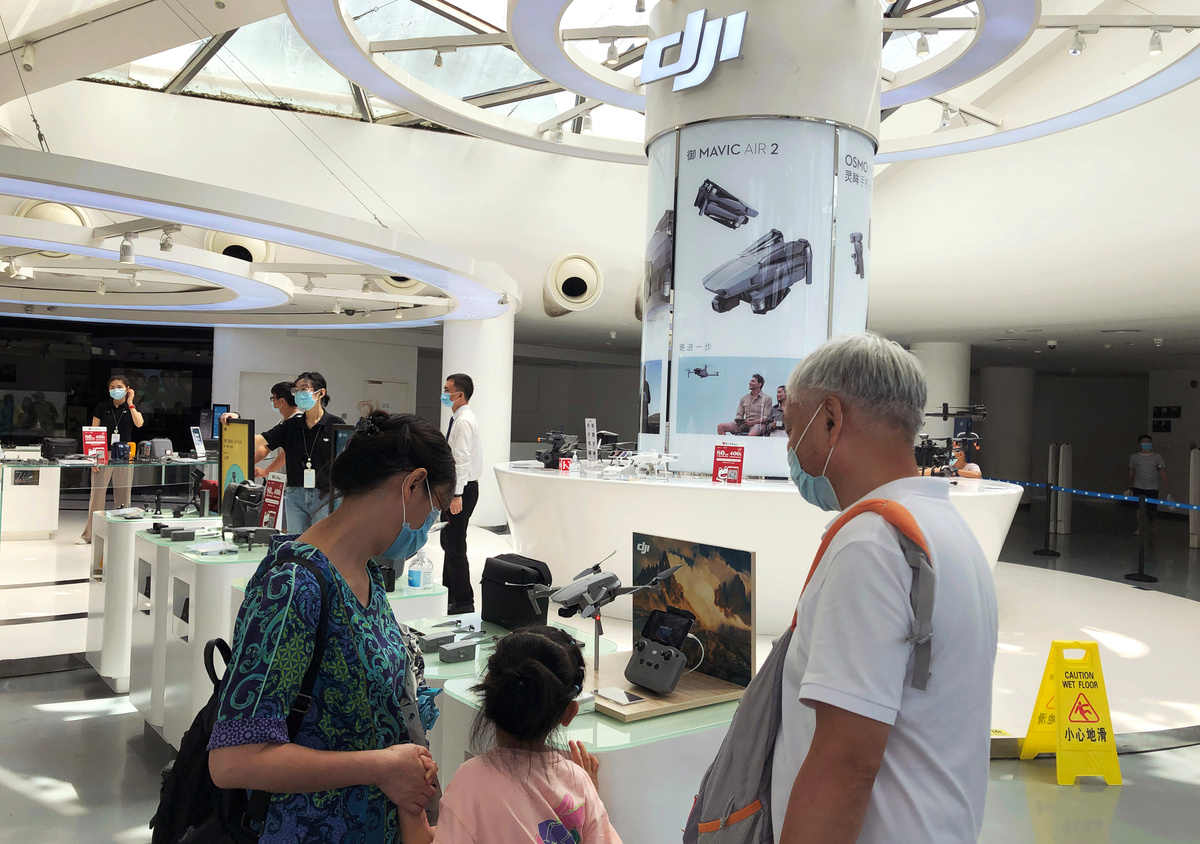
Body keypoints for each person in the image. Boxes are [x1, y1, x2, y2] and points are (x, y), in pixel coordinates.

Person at [773, 332, 997, 844]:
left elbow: (845, 764)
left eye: (791, 428)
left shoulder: (870, 544)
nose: (790, 447)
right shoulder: (946, 530)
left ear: (830, 419)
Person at [208, 407, 456, 842]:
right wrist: (379, 766)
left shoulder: (366, 572)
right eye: (434, 508)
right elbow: (233, 761)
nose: (427, 527)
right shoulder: (293, 586)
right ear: (413, 484)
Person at [399, 626, 620, 844]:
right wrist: (591, 795)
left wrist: (409, 801)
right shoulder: (579, 781)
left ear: (487, 690)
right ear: (569, 713)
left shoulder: (470, 784)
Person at [223, 372, 336, 534]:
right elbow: (260, 441)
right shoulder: (291, 425)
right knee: (295, 541)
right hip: (295, 493)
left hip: (324, 494)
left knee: (321, 541)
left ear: (321, 393)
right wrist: (236, 420)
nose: (299, 394)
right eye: (296, 390)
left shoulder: (334, 424)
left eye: (304, 389)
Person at [78, 375, 145, 545]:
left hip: (125, 454)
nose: (116, 390)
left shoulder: (131, 408)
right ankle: (89, 535)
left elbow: (139, 423)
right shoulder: (102, 407)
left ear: (127, 389)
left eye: (120, 387)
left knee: (123, 496)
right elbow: (93, 432)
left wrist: (131, 402)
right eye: (112, 387)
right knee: (97, 495)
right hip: (103, 453)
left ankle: (122, 535)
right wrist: (93, 457)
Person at [441, 373, 482, 615]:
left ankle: (463, 601)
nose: (444, 394)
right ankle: (449, 593)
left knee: (455, 545)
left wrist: (456, 495)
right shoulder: (458, 418)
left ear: (460, 394)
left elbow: (461, 460)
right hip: (458, 488)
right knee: (448, 542)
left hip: (462, 490)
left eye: (448, 390)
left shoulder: (464, 421)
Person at [255, 381, 301, 480]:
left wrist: (267, 471)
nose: (273, 401)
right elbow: (266, 446)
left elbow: (286, 453)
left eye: (274, 398)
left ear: (282, 401)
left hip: (296, 479)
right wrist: (246, 462)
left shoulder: (296, 422)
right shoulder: (283, 422)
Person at [1128, 434, 1169, 529]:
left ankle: (1149, 526)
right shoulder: (1134, 457)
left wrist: (1167, 484)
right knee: (1138, 508)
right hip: (1138, 485)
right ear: (1139, 444)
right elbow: (1132, 471)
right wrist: (1129, 485)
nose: (1147, 444)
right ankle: (1140, 527)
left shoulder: (1157, 457)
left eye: (1149, 442)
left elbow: (1162, 470)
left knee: (1152, 509)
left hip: (1153, 487)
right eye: (1144, 442)